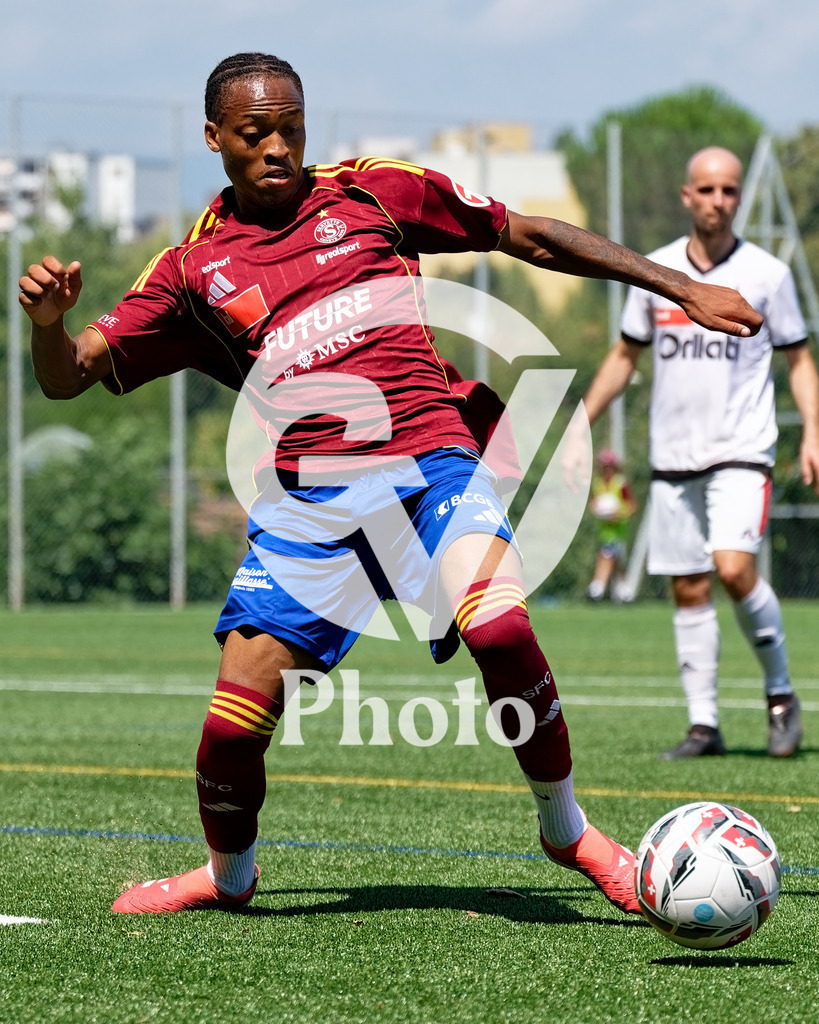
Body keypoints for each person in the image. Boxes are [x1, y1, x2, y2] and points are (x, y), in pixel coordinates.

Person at [19, 55, 762, 917]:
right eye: (254, 132)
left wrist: (679, 286)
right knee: (229, 731)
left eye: (290, 125)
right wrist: (48, 324)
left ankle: (567, 831)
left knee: (503, 630)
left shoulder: (372, 194)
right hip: (314, 503)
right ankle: (229, 877)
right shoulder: (191, 269)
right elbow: (70, 375)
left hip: (433, 460)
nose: (277, 146)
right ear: (215, 138)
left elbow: (523, 234)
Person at [566, 146, 819, 760]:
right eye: (706, 190)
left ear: (738, 197)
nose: (718, 201)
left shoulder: (767, 274)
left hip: (742, 450)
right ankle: (704, 725)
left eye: (729, 190)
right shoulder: (655, 274)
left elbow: (799, 359)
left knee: (733, 569)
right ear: (687, 196)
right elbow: (624, 358)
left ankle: (781, 695)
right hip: (674, 455)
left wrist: (813, 428)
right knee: (689, 588)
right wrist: (580, 424)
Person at [585, 448, 638, 603]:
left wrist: (619, 515)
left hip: (618, 530)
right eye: (604, 466)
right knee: (615, 560)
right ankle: (626, 592)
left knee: (606, 556)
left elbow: (632, 505)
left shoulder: (620, 483)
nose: (607, 470)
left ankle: (597, 588)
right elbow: (593, 503)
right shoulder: (598, 483)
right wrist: (598, 510)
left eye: (610, 466)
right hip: (605, 530)